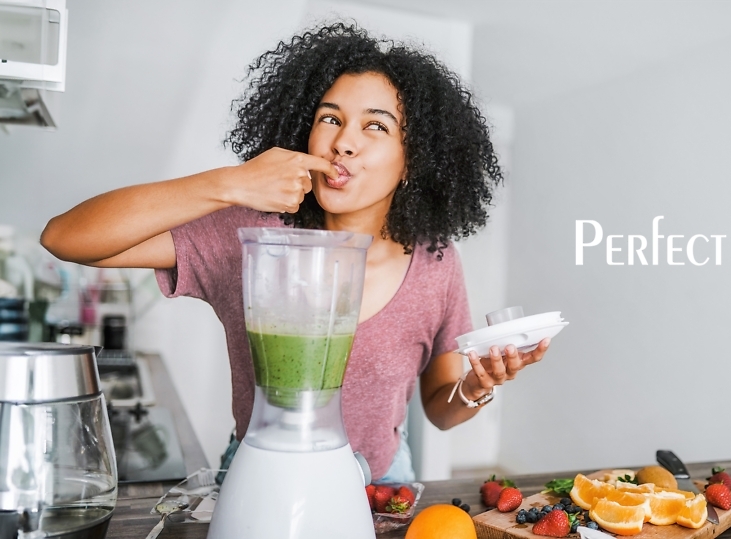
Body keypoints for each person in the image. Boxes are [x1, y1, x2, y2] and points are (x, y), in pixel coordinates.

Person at [40, 21, 549, 483]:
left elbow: (440, 410)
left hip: (382, 487)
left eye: (375, 126)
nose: (343, 142)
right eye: (330, 118)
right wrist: (231, 183)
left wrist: (478, 386)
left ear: (412, 159)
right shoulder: (251, 234)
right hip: (261, 476)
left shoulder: (435, 262)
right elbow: (66, 238)